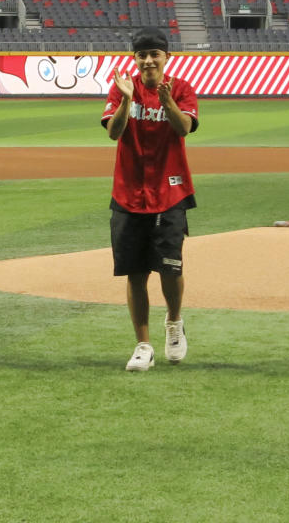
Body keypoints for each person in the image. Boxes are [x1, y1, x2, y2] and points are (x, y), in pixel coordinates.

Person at [101, 26, 198, 372]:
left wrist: (166, 98)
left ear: (166, 57)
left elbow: (183, 128)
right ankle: (143, 345)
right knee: (136, 271)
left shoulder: (181, 89)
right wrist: (127, 98)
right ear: (135, 58)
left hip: (170, 190)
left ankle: (174, 323)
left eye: (155, 54)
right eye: (142, 55)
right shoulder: (121, 87)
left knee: (170, 267)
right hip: (128, 193)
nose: (148, 60)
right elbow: (114, 132)